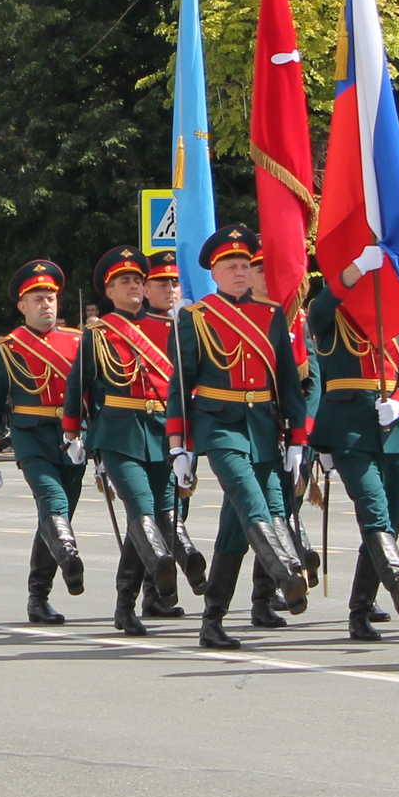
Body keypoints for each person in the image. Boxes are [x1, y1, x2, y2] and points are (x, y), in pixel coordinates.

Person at [170, 227, 309, 648]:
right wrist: (180, 444)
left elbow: (287, 383)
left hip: (264, 427)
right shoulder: (197, 318)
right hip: (220, 425)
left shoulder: (271, 315)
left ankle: (212, 619)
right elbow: (181, 383)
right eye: (231, 266)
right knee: (254, 501)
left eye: (245, 265)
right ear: (214, 271)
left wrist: (299, 438)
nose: (240, 273)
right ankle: (286, 571)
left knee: (236, 529)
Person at [306, 257, 399, 641]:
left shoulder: (395, 317)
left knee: (387, 519)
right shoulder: (331, 314)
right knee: (373, 509)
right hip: (348, 431)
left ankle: (360, 610)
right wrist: (352, 269)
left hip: (393, 430)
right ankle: (397, 578)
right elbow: (318, 311)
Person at [82, 246, 197, 636]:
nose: (132, 285)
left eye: (136, 280)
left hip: (162, 432)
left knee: (162, 516)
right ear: (109, 292)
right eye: (123, 282)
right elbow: (79, 390)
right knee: (142, 508)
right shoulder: (98, 334)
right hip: (118, 432)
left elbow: (183, 387)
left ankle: (127, 603)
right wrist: (73, 434)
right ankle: (160, 570)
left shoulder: (170, 329)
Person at [0, 260, 88, 626]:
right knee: (52, 501)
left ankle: (38, 597)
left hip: (73, 437)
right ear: (22, 306)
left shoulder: (78, 341)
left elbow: (93, 396)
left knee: (57, 518)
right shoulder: (6, 348)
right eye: (38, 298)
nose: (47, 305)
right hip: (31, 435)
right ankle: (70, 559)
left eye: (51, 297)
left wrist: (98, 442)